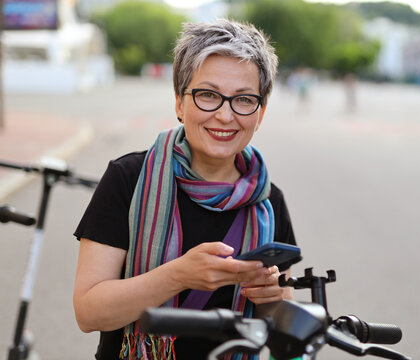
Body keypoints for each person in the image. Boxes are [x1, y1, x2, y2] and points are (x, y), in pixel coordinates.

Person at [73, 19, 297, 360]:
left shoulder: (268, 200)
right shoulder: (128, 179)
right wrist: (177, 276)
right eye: (208, 95)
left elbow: (285, 329)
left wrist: (272, 297)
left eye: (243, 99)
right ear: (180, 103)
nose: (225, 115)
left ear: (260, 113)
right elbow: (88, 313)